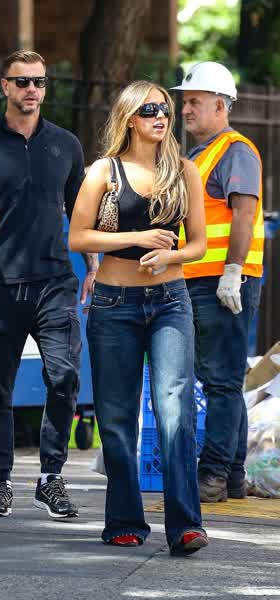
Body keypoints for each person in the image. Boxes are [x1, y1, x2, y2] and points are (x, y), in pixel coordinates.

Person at [69, 80, 209, 556]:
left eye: (165, 109)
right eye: (150, 110)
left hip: (170, 301)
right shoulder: (104, 171)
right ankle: (125, 520)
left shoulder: (184, 170)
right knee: (116, 416)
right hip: (114, 305)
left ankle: (185, 525)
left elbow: (197, 244)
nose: (161, 116)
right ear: (130, 118)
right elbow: (78, 237)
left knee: (175, 410)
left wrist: (170, 256)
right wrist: (139, 239)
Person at [0, 50, 98, 519]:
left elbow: (80, 210)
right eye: (22, 82)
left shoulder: (65, 145)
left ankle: (50, 478)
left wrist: (93, 266)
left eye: (39, 81)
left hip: (55, 281)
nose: (32, 89)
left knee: (64, 377)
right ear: (5, 86)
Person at [172, 62, 264, 503]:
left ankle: (212, 474)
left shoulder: (236, 151)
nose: (185, 109)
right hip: (198, 278)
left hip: (224, 281)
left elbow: (244, 213)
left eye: (194, 101)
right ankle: (232, 476)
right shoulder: (197, 156)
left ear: (220, 106)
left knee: (222, 381)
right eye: (185, 101)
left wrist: (233, 270)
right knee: (222, 380)